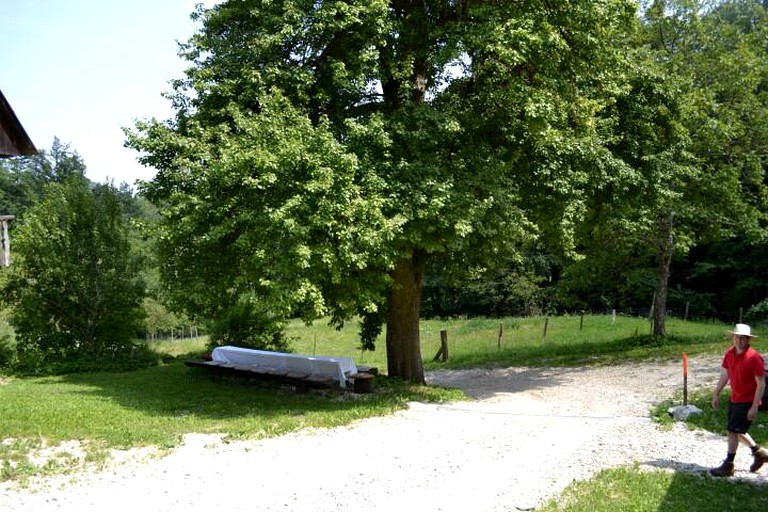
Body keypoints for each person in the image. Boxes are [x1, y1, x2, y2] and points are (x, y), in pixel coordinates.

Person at [710, 323, 768, 477]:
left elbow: (761, 384)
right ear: (733, 338)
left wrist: (754, 406)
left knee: (732, 430)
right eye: (737, 337)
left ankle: (728, 465)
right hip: (735, 397)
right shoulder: (729, 353)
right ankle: (759, 453)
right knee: (736, 430)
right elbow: (725, 375)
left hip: (748, 400)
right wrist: (716, 393)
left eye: (743, 338)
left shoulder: (755, 358)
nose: (740, 341)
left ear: (748, 340)